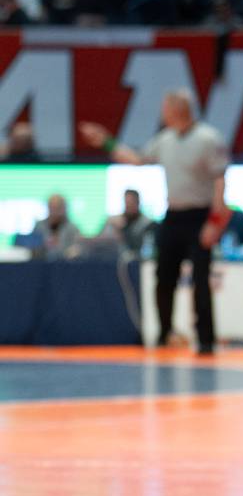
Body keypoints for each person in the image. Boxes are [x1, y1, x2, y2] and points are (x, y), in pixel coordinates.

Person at [80, 89, 230, 356]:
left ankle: (206, 340)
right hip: (173, 216)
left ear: (178, 108)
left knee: (200, 279)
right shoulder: (165, 140)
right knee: (164, 277)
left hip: (200, 216)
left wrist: (214, 222)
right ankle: (164, 334)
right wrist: (107, 142)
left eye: (165, 107)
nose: (162, 112)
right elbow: (137, 160)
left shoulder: (208, 139)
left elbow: (220, 179)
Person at [21, 194, 82, 259]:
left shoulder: (73, 228)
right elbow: (32, 247)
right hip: (41, 263)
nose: (55, 210)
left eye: (59, 207)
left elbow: (77, 248)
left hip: (65, 264)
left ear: (65, 208)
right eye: (53, 207)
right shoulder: (39, 226)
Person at [102, 188, 155, 256]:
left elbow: (146, 251)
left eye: (131, 203)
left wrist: (122, 231)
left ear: (138, 202)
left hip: (137, 261)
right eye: (126, 203)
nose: (128, 207)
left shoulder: (148, 223)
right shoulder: (116, 220)